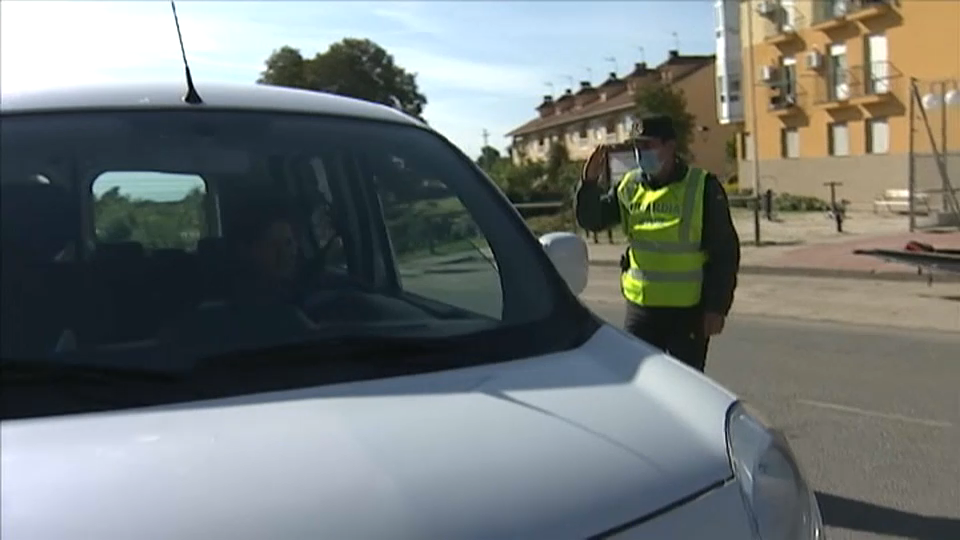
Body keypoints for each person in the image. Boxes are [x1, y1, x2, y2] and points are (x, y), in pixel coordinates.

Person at [575, 114, 741, 372]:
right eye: (637, 146)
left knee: (685, 389)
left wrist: (717, 307)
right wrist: (588, 185)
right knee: (642, 384)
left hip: (687, 313)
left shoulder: (702, 187)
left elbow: (725, 251)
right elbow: (593, 220)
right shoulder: (629, 186)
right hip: (641, 309)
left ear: (670, 146)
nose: (641, 153)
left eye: (648, 145)